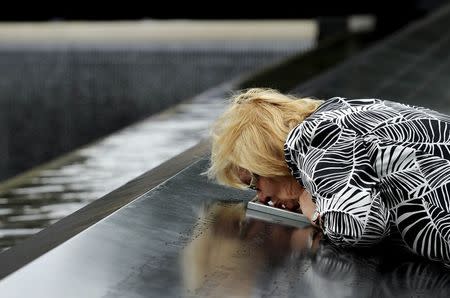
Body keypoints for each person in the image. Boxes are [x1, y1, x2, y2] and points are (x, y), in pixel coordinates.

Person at [206, 87, 450, 267]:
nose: (262, 197)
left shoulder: (309, 139)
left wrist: (315, 211)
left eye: (252, 182)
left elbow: (362, 226)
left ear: (264, 157)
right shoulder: (344, 110)